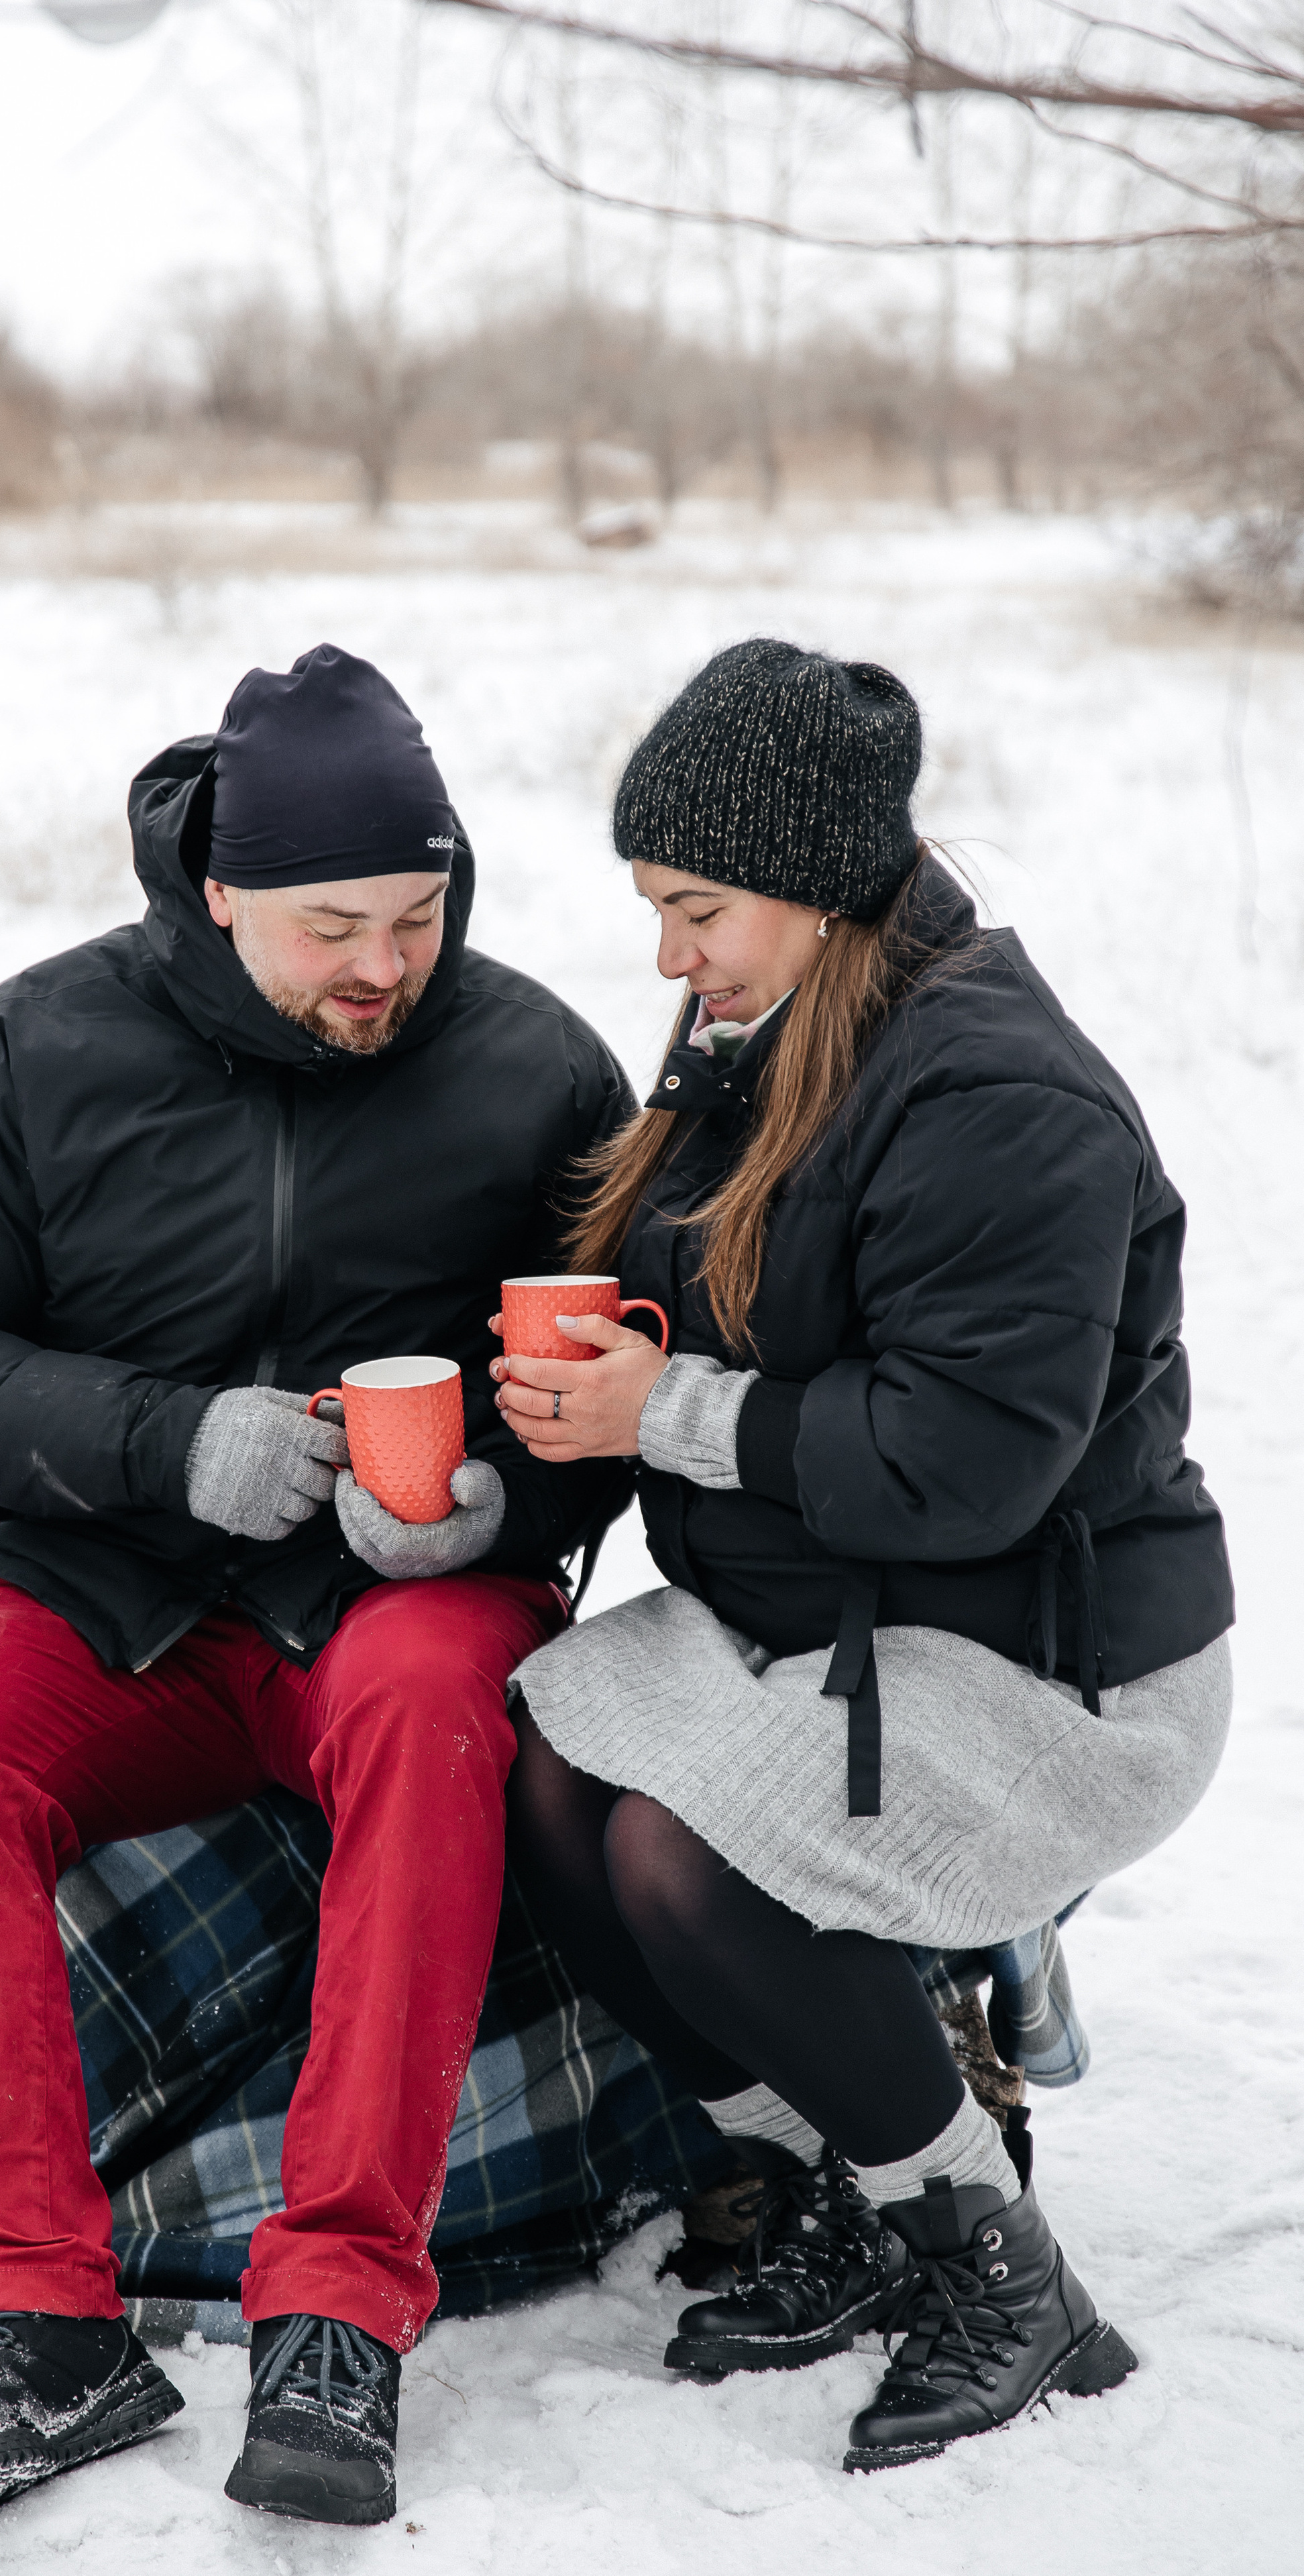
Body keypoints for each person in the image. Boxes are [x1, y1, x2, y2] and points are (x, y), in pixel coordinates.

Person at [0, 643, 631, 2542]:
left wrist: (506, 1503)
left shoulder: (535, 1067)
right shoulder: (31, 1050)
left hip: (391, 1603)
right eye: (332, 923)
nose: (384, 961)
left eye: (420, 914)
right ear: (215, 893)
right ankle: (32, 2327)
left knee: (436, 1712)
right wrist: (159, 1439)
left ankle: (338, 2315)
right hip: (116, 1588)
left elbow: (615, 1390)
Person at [494, 638, 1234, 2473]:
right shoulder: (770, 1031)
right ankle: (837, 2165)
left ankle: (998, 2270)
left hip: (1057, 1665)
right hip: (841, 1615)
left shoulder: (998, 1099)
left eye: (698, 910)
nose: (669, 958)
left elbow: (963, 1466)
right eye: (654, 911)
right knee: (545, 1773)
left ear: (820, 889)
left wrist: (655, 1419)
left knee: (688, 1857)